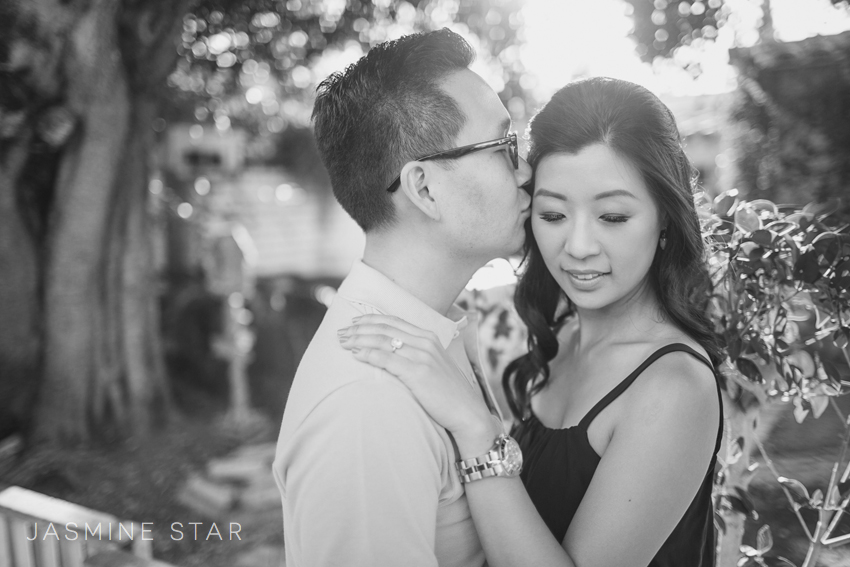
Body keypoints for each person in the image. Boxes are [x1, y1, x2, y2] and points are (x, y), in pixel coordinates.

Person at [339, 77, 725, 567]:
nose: (578, 247)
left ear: (665, 217)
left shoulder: (673, 386)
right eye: (553, 215)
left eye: (612, 217)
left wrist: (475, 428)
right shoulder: (561, 336)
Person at [272, 28, 532, 567]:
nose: (525, 171)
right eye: (504, 146)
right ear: (424, 189)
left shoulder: (428, 334)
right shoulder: (367, 405)